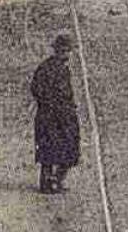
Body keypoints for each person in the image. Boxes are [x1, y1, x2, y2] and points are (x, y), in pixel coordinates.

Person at [30, 34, 81, 195]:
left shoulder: (47, 66)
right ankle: (52, 181)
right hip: (55, 115)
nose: (67, 55)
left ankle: (51, 181)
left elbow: (35, 88)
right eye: (66, 51)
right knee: (59, 148)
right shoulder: (54, 68)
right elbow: (39, 89)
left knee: (52, 149)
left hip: (53, 115)